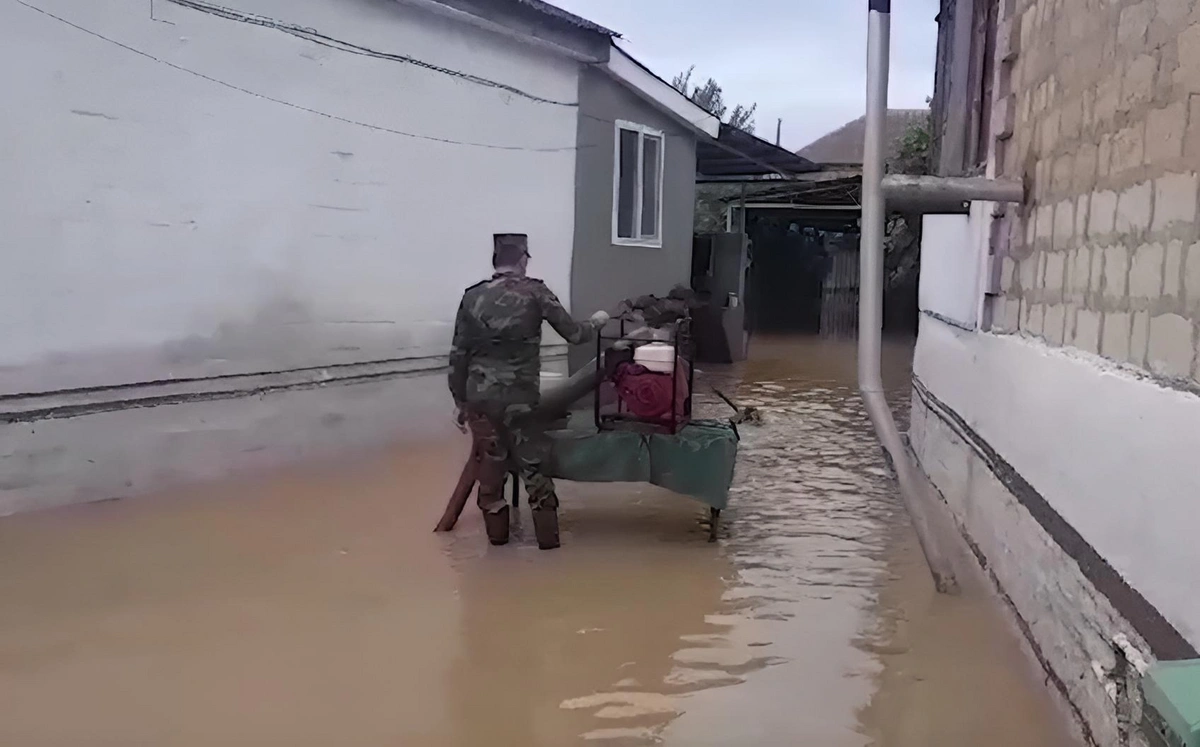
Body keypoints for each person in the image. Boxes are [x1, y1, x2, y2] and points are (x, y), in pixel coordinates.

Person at [448, 233, 609, 549]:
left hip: (480, 399)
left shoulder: (472, 297)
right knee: (533, 469)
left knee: (491, 472)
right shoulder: (536, 292)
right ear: (523, 259)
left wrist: (460, 402)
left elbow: (458, 355)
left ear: (497, 260)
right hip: (519, 399)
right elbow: (575, 334)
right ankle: (548, 548)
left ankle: (497, 546)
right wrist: (598, 322)